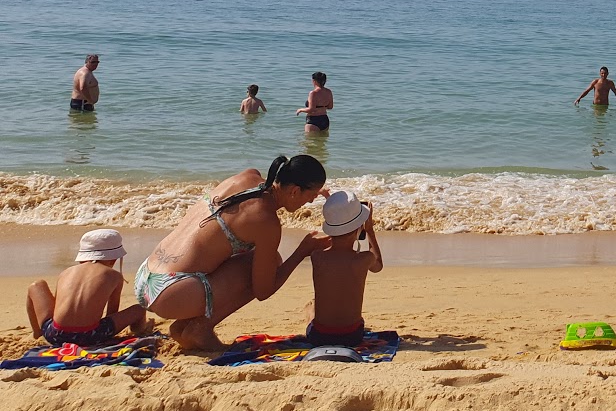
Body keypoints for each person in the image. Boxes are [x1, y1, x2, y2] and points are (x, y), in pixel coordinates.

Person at [134, 155, 329, 350]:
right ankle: (199, 329)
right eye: (311, 195)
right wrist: (301, 252)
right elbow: (263, 291)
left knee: (255, 259)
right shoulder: (266, 221)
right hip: (169, 293)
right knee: (271, 263)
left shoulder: (248, 177)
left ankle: (185, 326)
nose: (311, 200)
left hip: (147, 276)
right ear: (295, 191)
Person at [26, 229, 146, 347]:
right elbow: (111, 314)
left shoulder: (66, 272)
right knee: (139, 309)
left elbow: (56, 308)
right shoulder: (114, 276)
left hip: (54, 335)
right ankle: (139, 333)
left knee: (37, 285)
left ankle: (37, 333)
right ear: (114, 258)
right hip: (90, 336)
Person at [303, 190, 383, 346]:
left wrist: (335, 214)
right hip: (352, 336)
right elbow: (378, 265)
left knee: (312, 307)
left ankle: (310, 312)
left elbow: (334, 243)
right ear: (359, 228)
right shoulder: (364, 259)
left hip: (319, 337)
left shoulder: (317, 257)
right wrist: (370, 232)